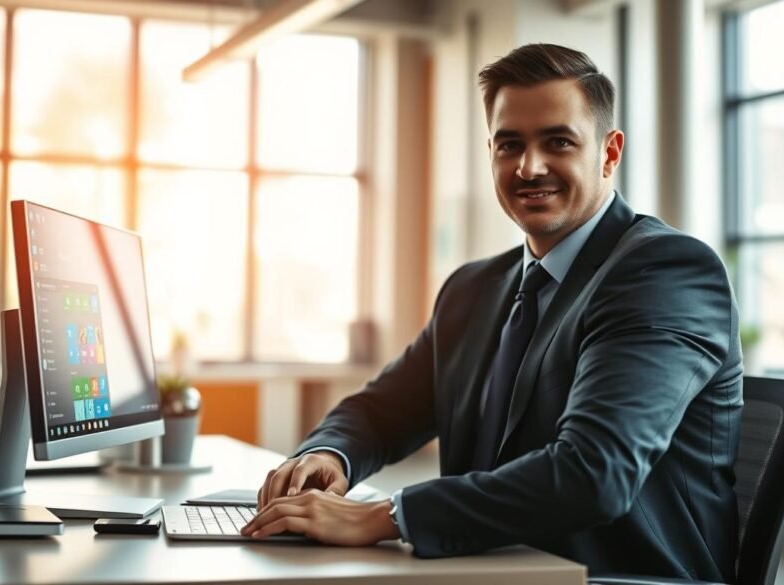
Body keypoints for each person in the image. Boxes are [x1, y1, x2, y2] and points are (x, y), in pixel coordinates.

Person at [241, 43, 742, 582]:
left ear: (609, 152)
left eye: (558, 141)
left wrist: (386, 516)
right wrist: (328, 455)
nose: (529, 167)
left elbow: (594, 473)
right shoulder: (474, 288)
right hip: (485, 567)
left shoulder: (664, 272)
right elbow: (383, 410)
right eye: (510, 145)